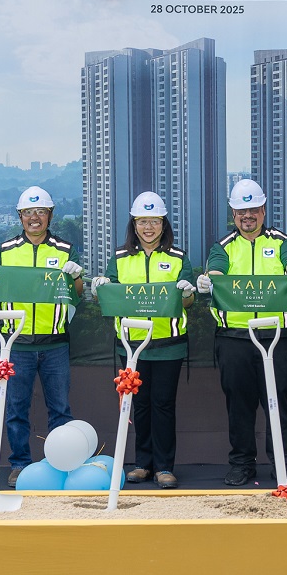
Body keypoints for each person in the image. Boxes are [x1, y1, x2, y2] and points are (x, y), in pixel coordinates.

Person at [196, 178, 287, 487]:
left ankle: (284, 465)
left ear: (263, 210)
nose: (247, 216)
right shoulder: (222, 246)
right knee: (239, 405)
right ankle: (241, 464)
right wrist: (210, 280)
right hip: (234, 338)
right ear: (232, 214)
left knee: (280, 403)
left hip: (277, 338)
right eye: (240, 211)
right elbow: (217, 269)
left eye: (253, 210)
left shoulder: (281, 241)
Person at [90, 192, 197, 490]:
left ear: (164, 224)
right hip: (131, 347)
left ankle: (164, 467)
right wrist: (101, 287)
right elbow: (108, 294)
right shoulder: (121, 258)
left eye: (154, 221)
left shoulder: (177, 257)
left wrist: (187, 293)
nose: (148, 227)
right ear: (133, 225)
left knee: (163, 405)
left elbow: (187, 302)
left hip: (168, 345)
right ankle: (142, 464)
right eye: (142, 221)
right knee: (139, 406)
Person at [0, 186, 84, 488]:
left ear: (50, 215)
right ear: (20, 216)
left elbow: (78, 296)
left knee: (60, 410)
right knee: (16, 409)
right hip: (15, 345)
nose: (34, 218)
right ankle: (19, 464)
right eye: (28, 212)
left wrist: (76, 278)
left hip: (55, 343)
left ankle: (62, 464)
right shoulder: (4, 251)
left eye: (40, 212)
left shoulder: (65, 250)